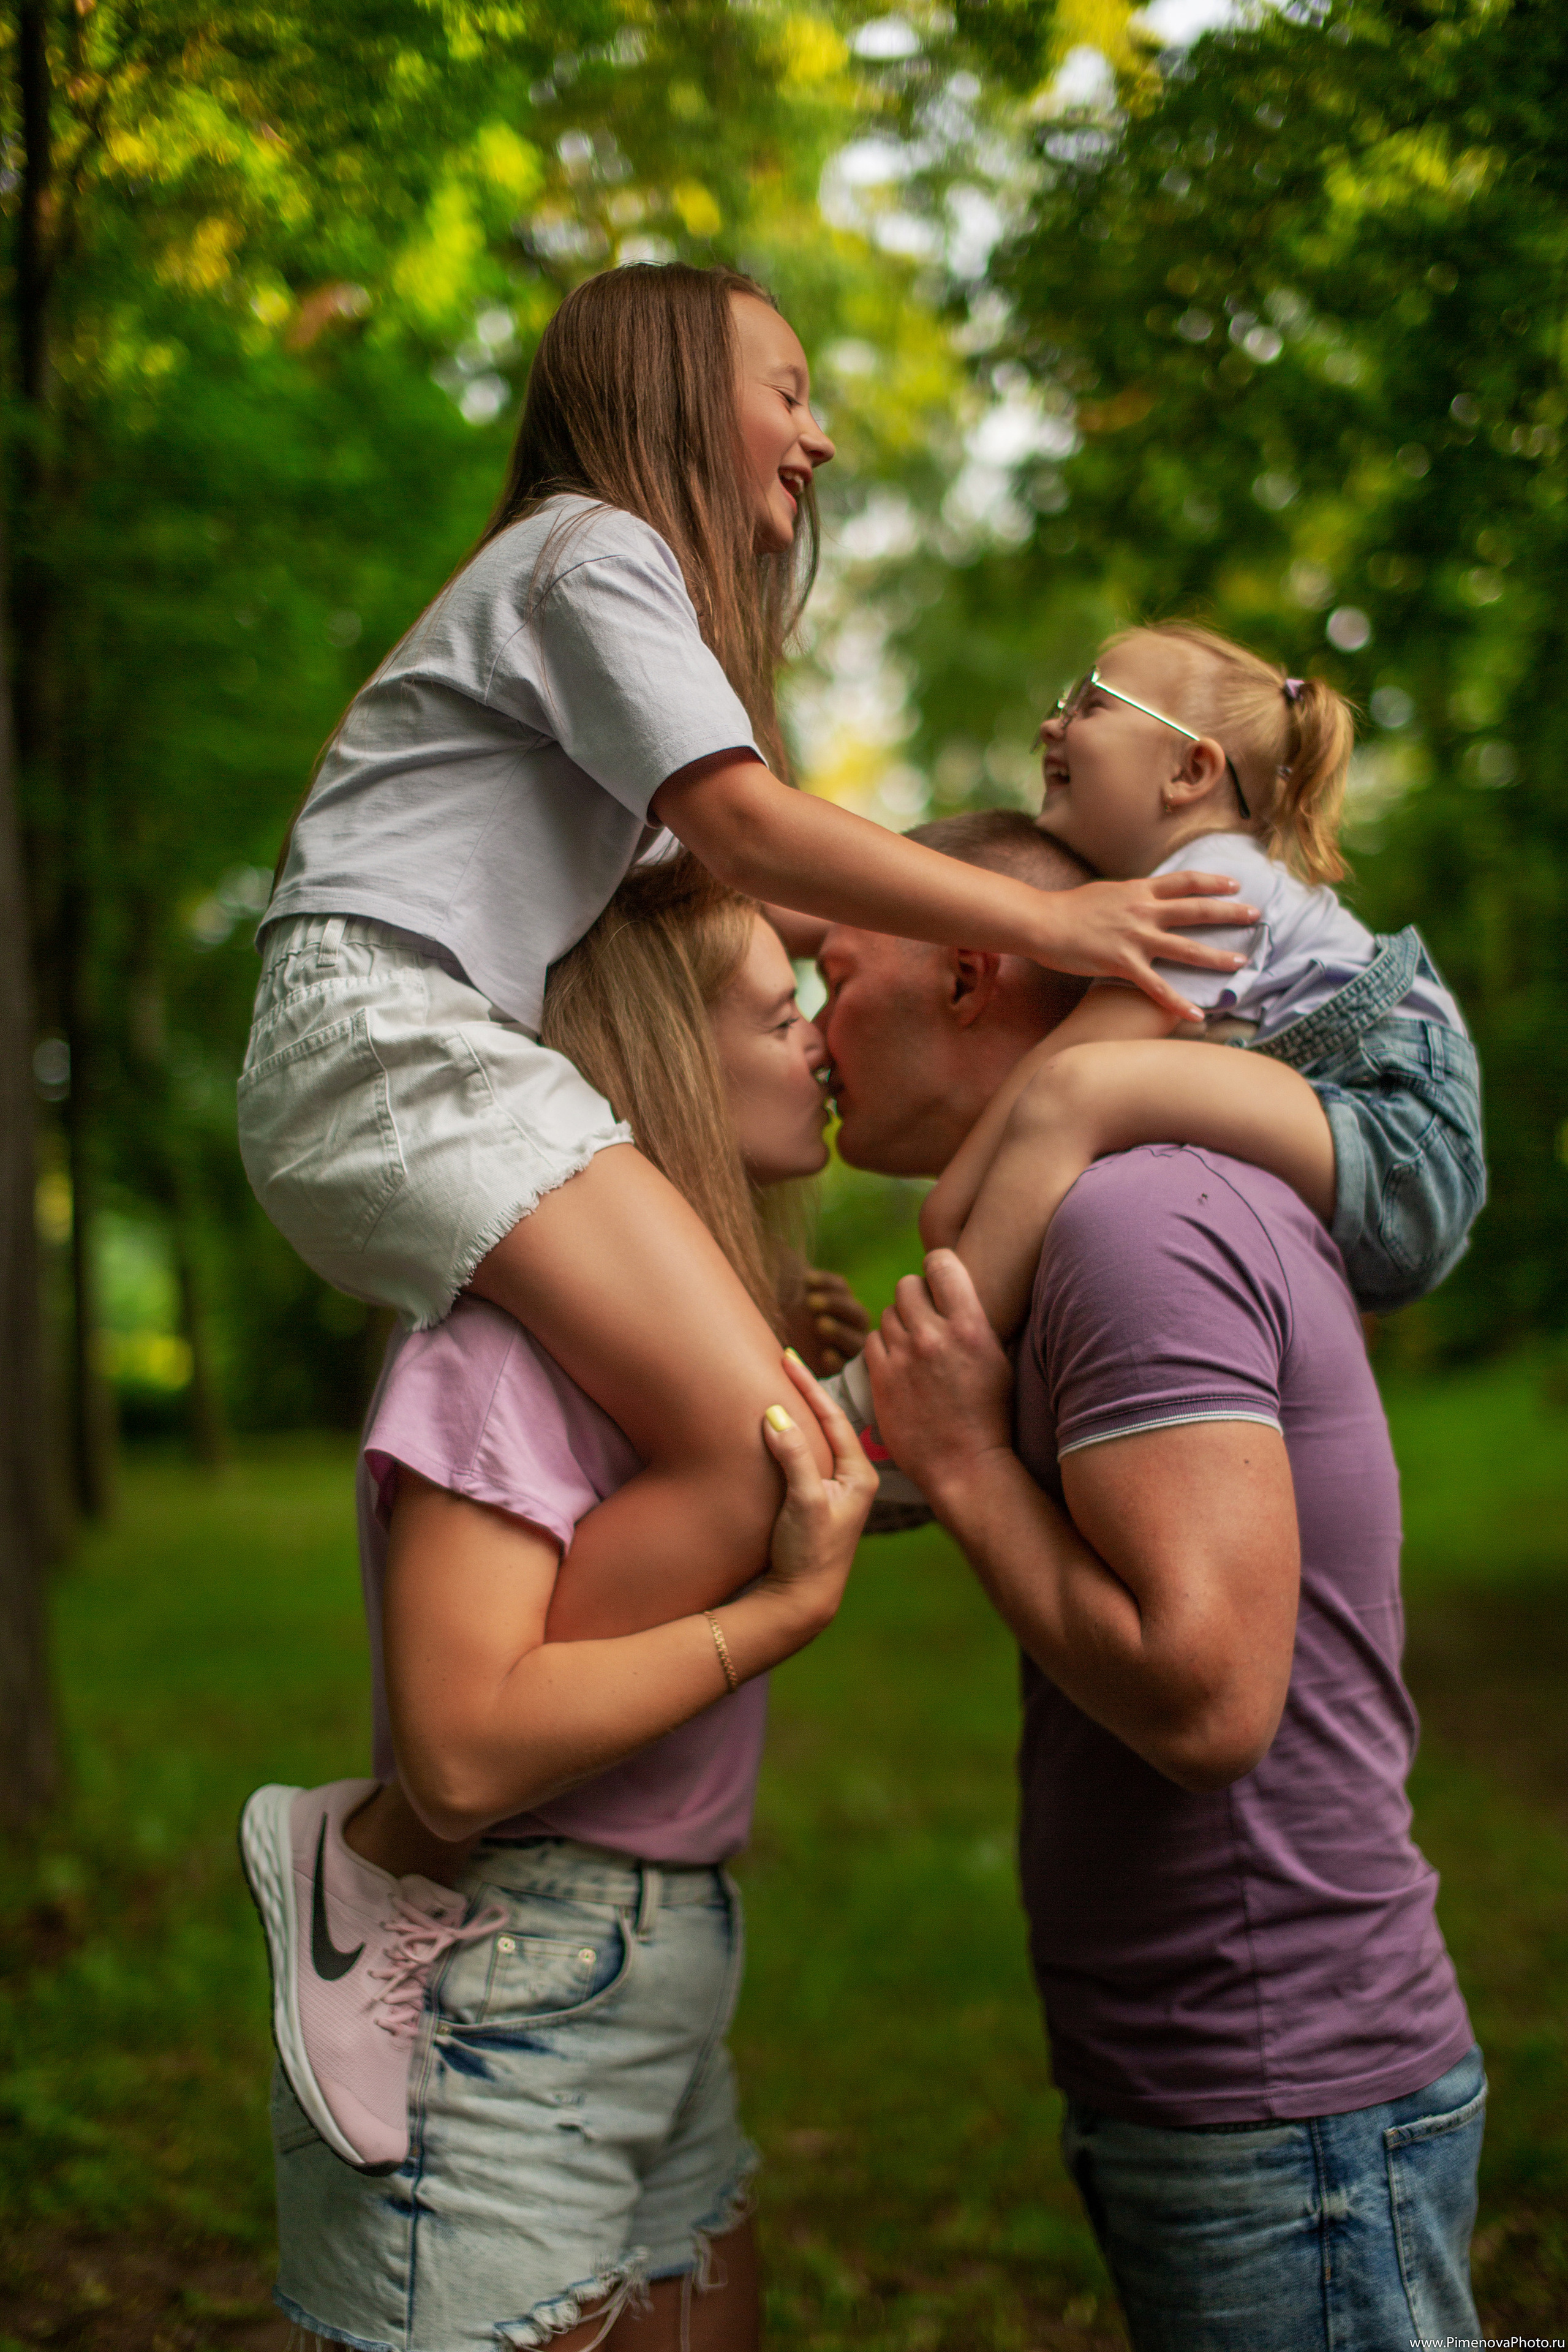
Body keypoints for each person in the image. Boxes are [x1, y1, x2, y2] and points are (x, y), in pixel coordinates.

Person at [818, 807, 1487, 2350]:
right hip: (1219, 2078)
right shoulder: (1090, 1218)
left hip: (1279, 2104)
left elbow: (1206, 1704)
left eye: (831, 972)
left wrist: (965, 1462)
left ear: (969, 972)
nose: (811, 1023)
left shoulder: (1134, 1220)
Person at [244, 855, 877, 2352]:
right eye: (774, 1012)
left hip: (655, 1976)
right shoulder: (501, 1351)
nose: (815, 1038)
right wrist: (780, 1613)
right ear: (666, 1059)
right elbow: (461, 1757)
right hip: (503, 1978)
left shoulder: (699, 1366)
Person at [911, 624, 1485, 1339]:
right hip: (1374, 1156)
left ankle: (941, 1350)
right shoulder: (1203, 886)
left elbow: (1061, 1071)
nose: (1051, 724)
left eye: (1092, 704)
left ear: (1190, 771)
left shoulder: (1211, 883)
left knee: (1077, 1091)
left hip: (1395, 1141)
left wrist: (948, 1209)